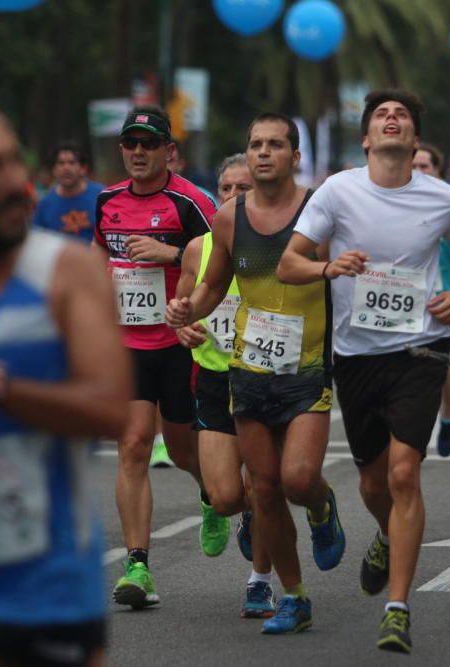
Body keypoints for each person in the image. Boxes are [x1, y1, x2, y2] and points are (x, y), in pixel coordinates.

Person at [277, 89, 450, 653]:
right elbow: (289, 262)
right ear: (367, 138)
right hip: (356, 356)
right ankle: (388, 537)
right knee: (371, 481)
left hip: (420, 350)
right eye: (381, 116)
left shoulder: (443, 197)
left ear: (414, 139)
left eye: (403, 116)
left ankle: (397, 608)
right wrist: (327, 265)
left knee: (402, 474)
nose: (392, 120)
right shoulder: (338, 191)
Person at [0, 99, 131, 667]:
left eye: (12, 163)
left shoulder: (65, 272)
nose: (14, 184)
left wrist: (1, 390)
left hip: (48, 591)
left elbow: (109, 408)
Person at [166, 112, 345, 634]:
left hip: (307, 370)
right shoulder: (229, 218)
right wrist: (187, 310)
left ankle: (320, 504)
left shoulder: (320, 209)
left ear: (294, 156)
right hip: (248, 370)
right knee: (261, 491)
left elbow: (346, 277)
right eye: (255, 144)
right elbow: (212, 288)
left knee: (297, 479)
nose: (263, 153)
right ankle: (293, 596)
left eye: (275, 145)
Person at [92, 105, 222, 608]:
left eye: (150, 144)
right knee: (133, 446)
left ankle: (211, 496)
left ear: (169, 150)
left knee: (186, 451)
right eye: (131, 144)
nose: (139, 153)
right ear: (121, 150)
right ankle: (138, 565)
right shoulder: (107, 201)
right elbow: (97, 257)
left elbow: (221, 256)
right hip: (127, 344)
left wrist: (169, 254)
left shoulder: (190, 202)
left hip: (178, 343)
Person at [170, 152, 278, 618]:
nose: (235, 196)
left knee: (263, 487)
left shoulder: (280, 242)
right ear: (217, 196)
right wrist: (183, 326)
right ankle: (243, 516)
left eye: (244, 188)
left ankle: (260, 582)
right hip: (215, 379)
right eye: (227, 189)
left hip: (264, 377)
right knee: (226, 495)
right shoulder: (199, 248)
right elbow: (183, 305)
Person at [413, 143, 450, 456]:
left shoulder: (448, 202)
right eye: (413, 166)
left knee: (437, 360)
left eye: (425, 167)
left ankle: (447, 414)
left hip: (441, 297)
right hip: (401, 297)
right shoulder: (390, 200)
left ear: (437, 171)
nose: (418, 172)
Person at [31, 141, 105, 243]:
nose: (66, 168)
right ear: (54, 170)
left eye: (71, 162)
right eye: (61, 163)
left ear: (83, 169)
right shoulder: (45, 205)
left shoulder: (103, 196)